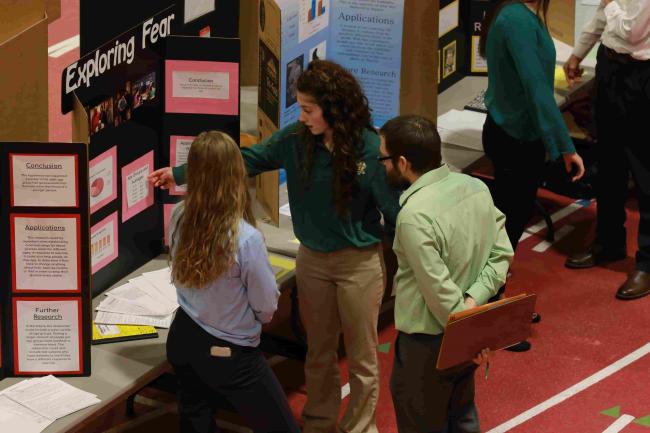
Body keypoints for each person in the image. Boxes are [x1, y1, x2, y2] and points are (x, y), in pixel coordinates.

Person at [150, 60, 401, 433]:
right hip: (313, 261)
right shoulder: (294, 141)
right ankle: (318, 424)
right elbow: (242, 161)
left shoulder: (368, 148)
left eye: (308, 109)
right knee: (319, 352)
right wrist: (181, 173)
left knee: (364, 358)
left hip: (358, 264)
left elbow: (393, 211)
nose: (301, 117)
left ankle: (360, 428)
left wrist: (408, 263)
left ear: (333, 108)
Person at [379, 115, 512, 433]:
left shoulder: (413, 215)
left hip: (428, 346)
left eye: (383, 158)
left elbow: (437, 288)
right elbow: (501, 255)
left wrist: (465, 331)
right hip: (465, 327)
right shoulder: (475, 187)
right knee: (462, 418)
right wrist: (473, 307)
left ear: (402, 162)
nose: (380, 165)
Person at [166, 131, 300, 433]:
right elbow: (266, 305)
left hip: (183, 336)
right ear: (236, 174)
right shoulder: (245, 239)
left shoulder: (178, 214)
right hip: (230, 354)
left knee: (196, 421)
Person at [479, 0, 586, 351]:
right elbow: (536, 88)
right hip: (513, 138)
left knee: (509, 223)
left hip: (517, 133)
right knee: (506, 228)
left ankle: (492, 304)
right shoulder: (516, 20)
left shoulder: (519, 13)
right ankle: (490, 318)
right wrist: (564, 145)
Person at [563, 0, 650, 300]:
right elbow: (602, 17)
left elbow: (632, 31)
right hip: (610, 66)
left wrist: (611, 3)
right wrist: (578, 53)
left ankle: (647, 264)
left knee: (644, 172)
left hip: (642, 75)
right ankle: (608, 243)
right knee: (608, 162)